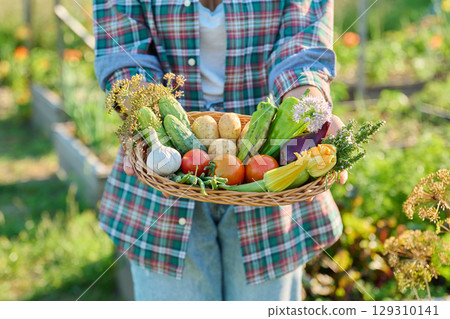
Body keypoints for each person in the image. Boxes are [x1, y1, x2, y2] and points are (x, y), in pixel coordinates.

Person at [93, 0, 347, 301]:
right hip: (164, 184)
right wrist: (146, 122)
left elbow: (300, 48)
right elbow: (123, 53)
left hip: (267, 181)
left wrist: (311, 111)